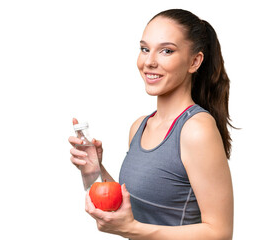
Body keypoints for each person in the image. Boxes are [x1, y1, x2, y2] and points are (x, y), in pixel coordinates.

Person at [69, 9, 234, 240]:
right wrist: (95, 171)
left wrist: (132, 229)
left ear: (194, 61)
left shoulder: (196, 129)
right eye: (145, 49)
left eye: (166, 51)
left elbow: (220, 233)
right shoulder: (140, 127)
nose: (149, 61)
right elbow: (140, 208)